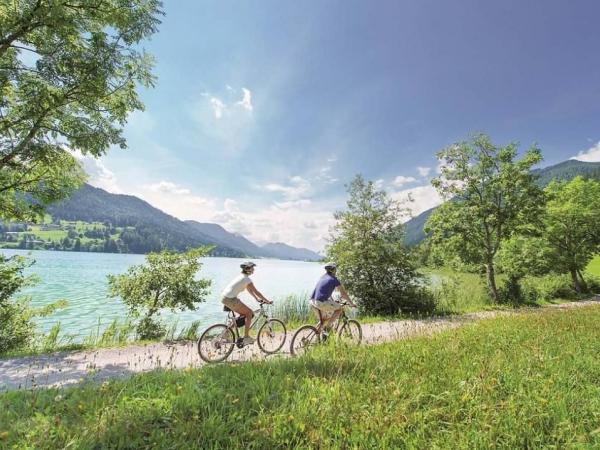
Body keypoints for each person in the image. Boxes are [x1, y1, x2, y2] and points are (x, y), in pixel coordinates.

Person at [221, 261, 272, 345]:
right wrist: (267, 301)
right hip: (230, 299)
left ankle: (226, 332)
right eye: (252, 268)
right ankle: (246, 337)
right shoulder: (246, 279)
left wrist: (256, 299)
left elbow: (250, 290)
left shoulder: (242, 277)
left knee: (244, 315)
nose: (253, 270)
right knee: (249, 313)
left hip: (225, 297)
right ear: (248, 269)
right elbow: (257, 291)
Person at [310, 262, 356, 334]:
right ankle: (328, 327)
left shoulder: (322, 277)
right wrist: (351, 303)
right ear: (334, 270)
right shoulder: (334, 279)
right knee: (339, 309)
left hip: (312, 302)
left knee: (325, 319)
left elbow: (325, 292)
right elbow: (343, 294)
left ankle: (316, 336)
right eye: (335, 269)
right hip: (320, 302)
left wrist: (333, 301)